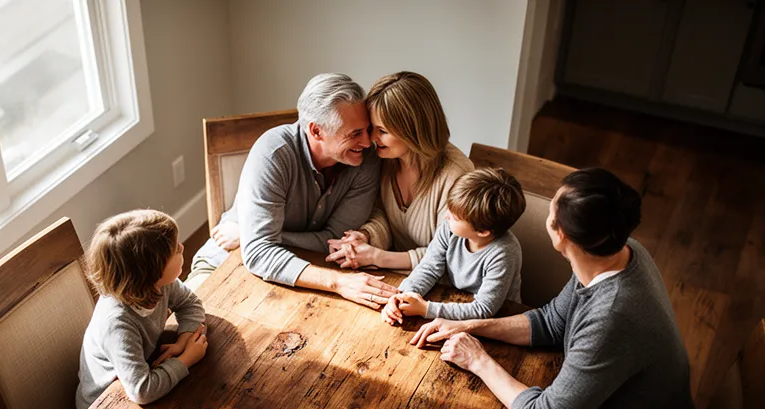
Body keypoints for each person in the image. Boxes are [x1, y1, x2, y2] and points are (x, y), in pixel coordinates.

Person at [412, 169, 701, 409]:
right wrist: (470, 325)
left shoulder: (612, 317)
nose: (546, 213)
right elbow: (552, 321)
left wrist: (479, 360)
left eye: (551, 213)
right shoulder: (618, 250)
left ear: (560, 235)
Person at [187, 73, 397, 309]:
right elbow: (257, 254)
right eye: (355, 134)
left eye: (367, 129)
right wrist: (337, 282)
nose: (368, 142)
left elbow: (335, 240)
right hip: (224, 264)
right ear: (317, 132)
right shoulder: (274, 153)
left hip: (299, 272)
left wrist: (251, 236)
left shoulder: (365, 158)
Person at [324, 71, 475, 272]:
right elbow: (381, 213)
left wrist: (379, 257)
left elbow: (450, 257)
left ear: (413, 130)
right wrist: (367, 235)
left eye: (382, 131)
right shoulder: (386, 159)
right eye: (372, 128)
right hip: (399, 280)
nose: (371, 139)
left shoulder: (457, 176)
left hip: (445, 291)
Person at [76, 210, 207, 409]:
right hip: (105, 408)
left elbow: (190, 304)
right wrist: (186, 359)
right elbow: (142, 391)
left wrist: (183, 340)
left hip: (141, 371)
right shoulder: (117, 324)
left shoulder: (160, 284)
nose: (182, 247)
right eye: (174, 250)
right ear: (151, 271)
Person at [382, 168, 525, 324]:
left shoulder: (504, 253)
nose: (446, 216)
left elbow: (484, 309)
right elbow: (429, 267)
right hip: (454, 301)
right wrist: (403, 295)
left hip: (498, 320)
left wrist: (425, 309)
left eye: (455, 217)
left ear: (483, 231)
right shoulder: (449, 229)